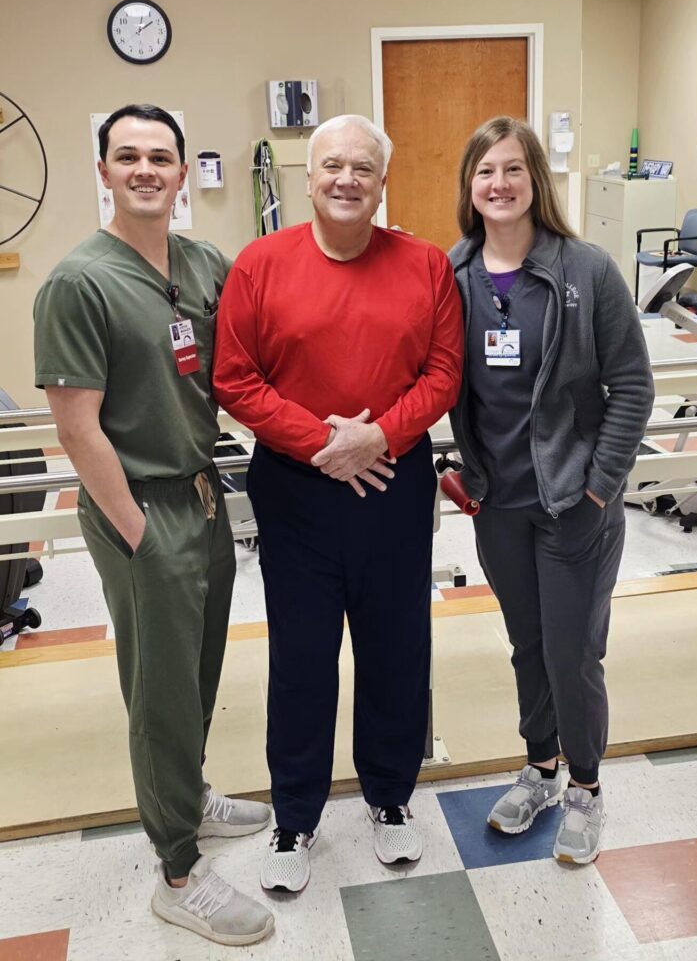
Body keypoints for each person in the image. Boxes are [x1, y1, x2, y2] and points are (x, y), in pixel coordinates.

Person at [33, 104, 274, 946]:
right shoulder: (79, 282)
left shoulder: (205, 263)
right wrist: (136, 530)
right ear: (102, 170)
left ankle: (189, 791)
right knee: (159, 689)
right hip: (141, 505)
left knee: (197, 669)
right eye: (127, 155)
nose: (145, 169)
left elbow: (240, 370)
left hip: (203, 493)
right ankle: (176, 868)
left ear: (181, 173)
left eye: (160, 157)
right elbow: (75, 426)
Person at [212, 114, 463, 893]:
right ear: (308, 178)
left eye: (363, 167)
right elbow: (234, 377)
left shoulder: (424, 266)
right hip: (295, 491)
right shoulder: (259, 264)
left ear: (382, 181)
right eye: (332, 166)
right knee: (303, 658)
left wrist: (378, 437)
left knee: (395, 650)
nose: (347, 179)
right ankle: (295, 818)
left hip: (393, 486)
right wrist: (326, 442)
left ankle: (390, 801)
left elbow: (444, 371)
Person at [448, 116, 654, 864]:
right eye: (483, 173)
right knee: (527, 646)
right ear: (469, 189)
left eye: (511, 169)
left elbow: (632, 386)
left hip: (574, 504)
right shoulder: (454, 275)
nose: (498, 185)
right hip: (498, 505)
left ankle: (587, 789)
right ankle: (540, 768)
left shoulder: (586, 270)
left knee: (572, 653)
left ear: (535, 178)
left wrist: (600, 487)